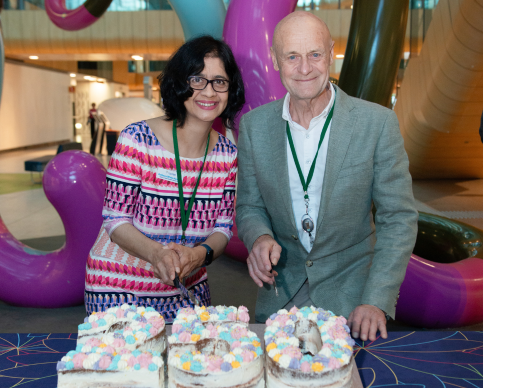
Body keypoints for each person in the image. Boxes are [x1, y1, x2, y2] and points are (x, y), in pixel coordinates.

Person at [235, 12, 418, 341]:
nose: (304, 68)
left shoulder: (377, 124)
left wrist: (375, 300)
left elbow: (399, 218)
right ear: (276, 60)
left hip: (352, 295)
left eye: (314, 54)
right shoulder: (253, 127)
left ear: (331, 53)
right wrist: (259, 238)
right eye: (292, 56)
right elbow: (249, 205)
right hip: (281, 294)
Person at [84, 35, 245, 322]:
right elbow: (115, 218)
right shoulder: (137, 140)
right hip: (119, 287)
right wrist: (158, 255)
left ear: (230, 90)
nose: (208, 92)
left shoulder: (227, 154)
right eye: (198, 79)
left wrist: (200, 255)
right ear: (181, 83)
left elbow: (223, 228)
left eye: (219, 81)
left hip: (186, 286)